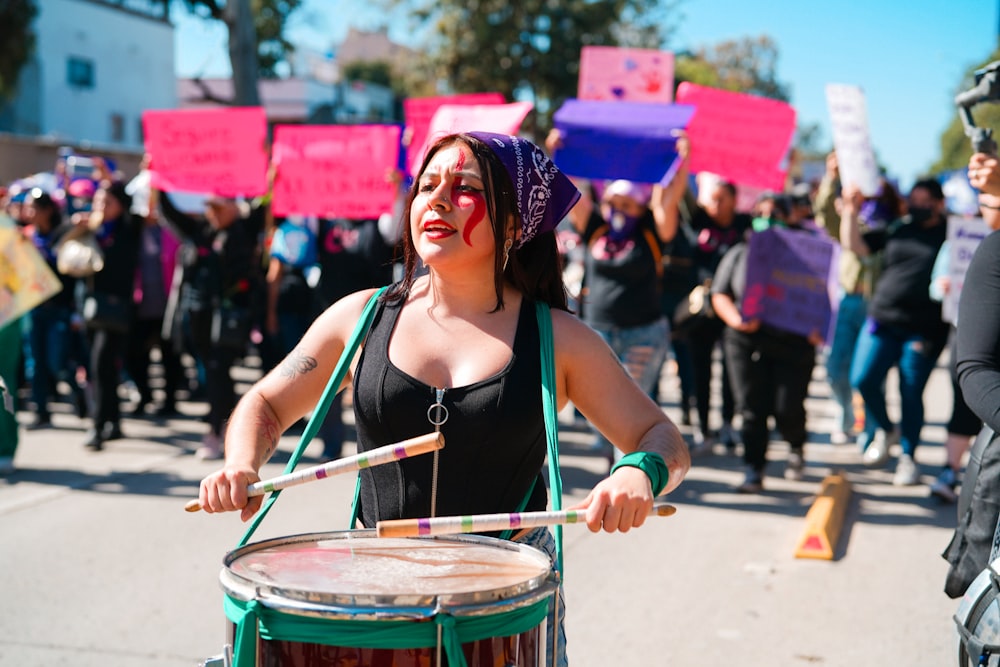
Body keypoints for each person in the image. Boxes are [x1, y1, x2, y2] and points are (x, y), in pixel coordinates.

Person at [197, 132, 691, 666]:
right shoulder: (360, 318)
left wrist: (635, 473)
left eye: (465, 188)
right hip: (373, 597)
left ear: (511, 223)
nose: (436, 199)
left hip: (502, 607)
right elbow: (266, 404)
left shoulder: (559, 339)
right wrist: (240, 465)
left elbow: (662, 439)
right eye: (427, 185)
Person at [548, 132, 689, 463]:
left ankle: (625, 474)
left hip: (643, 334)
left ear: (640, 207)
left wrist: (681, 161)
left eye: (626, 205)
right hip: (596, 333)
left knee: (627, 409)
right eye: (612, 203)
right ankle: (622, 466)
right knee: (604, 408)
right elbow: (569, 190)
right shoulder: (596, 227)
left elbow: (669, 200)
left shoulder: (652, 232)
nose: (618, 210)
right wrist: (559, 154)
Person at [711, 195, 826, 492]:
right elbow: (719, 293)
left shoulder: (807, 258)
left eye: (774, 213)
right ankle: (753, 468)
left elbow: (823, 300)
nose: (766, 217)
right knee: (751, 407)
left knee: (787, 408)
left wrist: (819, 328)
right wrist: (737, 320)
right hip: (746, 341)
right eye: (760, 212)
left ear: (789, 219)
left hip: (794, 344)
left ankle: (796, 445)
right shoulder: (739, 253)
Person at [840, 179, 950, 485]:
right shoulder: (897, 228)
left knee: (910, 390)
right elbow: (857, 246)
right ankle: (887, 429)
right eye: (912, 200)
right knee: (863, 379)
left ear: (939, 204)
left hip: (924, 329)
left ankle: (908, 456)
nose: (915, 206)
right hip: (883, 319)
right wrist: (850, 211)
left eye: (923, 200)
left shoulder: (952, 234)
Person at [159, 191, 266, 459]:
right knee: (215, 372)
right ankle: (229, 425)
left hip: (229, 319)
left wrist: (270, 171)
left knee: (218, 370)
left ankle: (216, 432)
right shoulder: (201, 231)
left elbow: (265, 204)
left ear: (234, 208)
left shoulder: (244, 230)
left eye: (219, 207)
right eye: (210, 207)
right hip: (198, 317)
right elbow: (170, 213)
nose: (213, 213)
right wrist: (158, 181)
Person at [815, 154, 906, 446]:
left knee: (866, 375)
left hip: (876, 307)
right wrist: (832, 178)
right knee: (835, 367)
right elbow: (825, 216)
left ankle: (870, 433)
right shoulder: (851, 220)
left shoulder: (894, 230)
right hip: (848, 301)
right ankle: (845, 416)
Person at [679, 173, 752, 451]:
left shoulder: (746, 226)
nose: (715, 205)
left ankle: (727, 424)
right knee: (701, 370)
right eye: (712, 199)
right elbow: (682, 195)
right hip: (703, 311)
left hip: (734, 309)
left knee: (732, 371)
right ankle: (703, 428)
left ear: (734, 200)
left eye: (722, 199)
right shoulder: (699, 221)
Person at [79, 182, 143, 450]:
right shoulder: (91, 229)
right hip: (92, 307)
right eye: (97, 202)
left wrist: (108, 178)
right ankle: (114, 422)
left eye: (107, 202)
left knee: (100, 365)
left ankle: (98, 427)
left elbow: (138, 215)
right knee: (104, 367)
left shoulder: (128, 228)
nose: (101, 208)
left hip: (117, 309)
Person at [21, 188, 86, 427]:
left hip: (60, 308)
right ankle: (41, 410)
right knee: (35, 363)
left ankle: (77, 392)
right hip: (34, 308)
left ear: (48, 210)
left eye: (34, 208)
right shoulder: (26, 237)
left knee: (56, 361)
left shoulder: (65, 235)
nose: (29, 213)